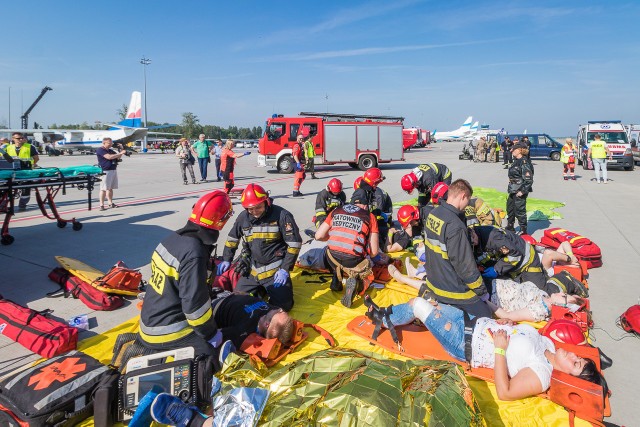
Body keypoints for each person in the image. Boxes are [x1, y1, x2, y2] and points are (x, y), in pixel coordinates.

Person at [363, 296, 603, 401]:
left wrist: (500, 350)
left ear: (567, 376)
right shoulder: (548, 344)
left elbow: (505, 393)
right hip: (472, 322)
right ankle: (388, 316)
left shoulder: (541, 373)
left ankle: (382, 320)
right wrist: (511, 325)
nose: (572, 354)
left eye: (575, 363)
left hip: (462, 342)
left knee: (418, 306)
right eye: (577, 358)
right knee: (429, 301)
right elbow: (519, 333)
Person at [138, 191, 234, 356]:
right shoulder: (194, 253)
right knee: (213, 356)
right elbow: (195, 308)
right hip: (167, 332)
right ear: (221, 221)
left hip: (148, 323)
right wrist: (211, 334)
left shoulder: (171, 239)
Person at [219, 184, 302, 311]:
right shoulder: (243, 217)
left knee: (284, 306)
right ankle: (261, 292)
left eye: (258, 207)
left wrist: (285, 269)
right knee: (238, 301)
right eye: (250, 209)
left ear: (266, 201)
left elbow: (294, 244)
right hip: (253, 270)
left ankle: (265, 292)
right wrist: (226, 258)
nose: (254, 212)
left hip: (275, 271)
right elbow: (232, 239)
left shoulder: (282, 215)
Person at [421, 179, 493, 318]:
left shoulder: (434, 214)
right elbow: (464, 265)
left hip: (433, 281)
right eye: (468, 200)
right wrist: (481, 292)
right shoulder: (455, 225)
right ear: (463, 196)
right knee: (486, 314)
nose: (467, 205)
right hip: (450, 290)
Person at [315, 188, 380, 307]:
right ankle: (359, 283)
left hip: (331, 258)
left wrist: (332, 238)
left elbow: (318, 235)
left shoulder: (336, 210)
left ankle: (337, 279)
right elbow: (374, 252)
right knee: (368, 268)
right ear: (365, 205)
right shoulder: (369, 216)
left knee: (336, 253)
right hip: (353, 260)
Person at [471, 225, 548, 291]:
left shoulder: (493, 237)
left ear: (473, 231)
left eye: (473, 237)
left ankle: (556, 280)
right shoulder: (468, 244)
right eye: (471, 243)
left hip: (526, 262)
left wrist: (496, 269)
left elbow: (514, 255)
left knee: (539, 293)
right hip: (508, 267)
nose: (474, 242)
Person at [506, 141, 534, 235]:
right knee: (510, 208)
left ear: (519, 150)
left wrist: (522, 191)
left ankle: (523, 230)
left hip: (519, 189)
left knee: (520, 210)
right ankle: (510, 226)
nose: (511, 150)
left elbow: (528, 180)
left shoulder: (524, 162)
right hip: (513, 189)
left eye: (513, 149)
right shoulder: (516, 161)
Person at [6, 132, 39, 210]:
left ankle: (22, 204)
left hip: (26, 171)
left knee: (26, 188)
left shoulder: (30, 147)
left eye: (22, 138)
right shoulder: (8, 148)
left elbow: (36, 158)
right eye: (18, 138)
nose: (20, 139)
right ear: (13, 139)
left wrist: (32, 164)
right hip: (12, 171)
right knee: (7, 188)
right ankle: (4, 205)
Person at [95, 137, 126, 211]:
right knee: (103, 189)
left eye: (111, 143)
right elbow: (108, 157)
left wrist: (121, 150)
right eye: (109, 143)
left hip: (113, 170)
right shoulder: (100, 150)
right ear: (104, 143)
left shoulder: (111, 150)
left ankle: (110, 203)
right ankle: (101, 205)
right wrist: (120, 153)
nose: (111, 144)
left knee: (110, 188)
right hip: (105, 171)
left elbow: (118, 158)